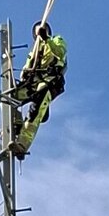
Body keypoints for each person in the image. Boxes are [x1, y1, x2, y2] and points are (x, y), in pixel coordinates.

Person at [10, 20, 67, 160]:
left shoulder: (56, 40)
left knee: (35, 111)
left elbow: (60, 52)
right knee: (10, 97)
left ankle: (22, 145)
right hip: (33, 84)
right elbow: (26, 68)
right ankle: (16, 123)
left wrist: (46, 38)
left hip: (48, 82)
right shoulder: (34, 51)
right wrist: (24, 75)